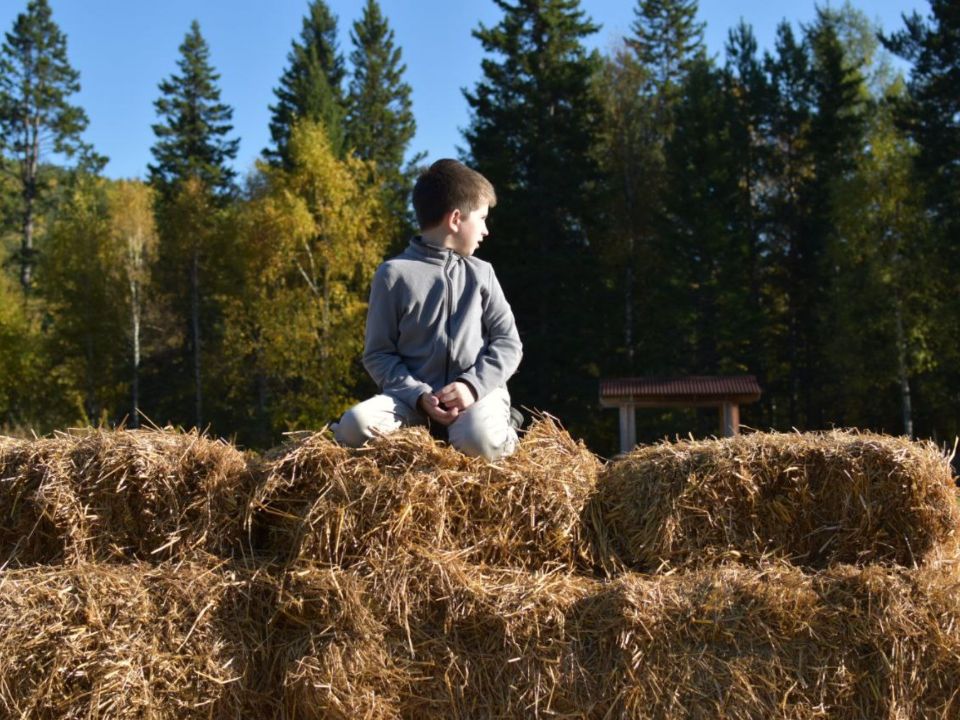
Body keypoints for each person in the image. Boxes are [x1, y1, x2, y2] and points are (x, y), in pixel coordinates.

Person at [333, 159, 522, 460]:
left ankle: (506, 425)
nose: (486, 230)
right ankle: (433, 430)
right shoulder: (393, 274)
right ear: (456, 219)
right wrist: (419, 396)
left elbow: (509, 343)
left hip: (476, 397)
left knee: (478, 440)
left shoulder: (482, 273)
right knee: (353, 427)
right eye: (483, 218)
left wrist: (471, 387)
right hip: (412, 402)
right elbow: (378, 354)